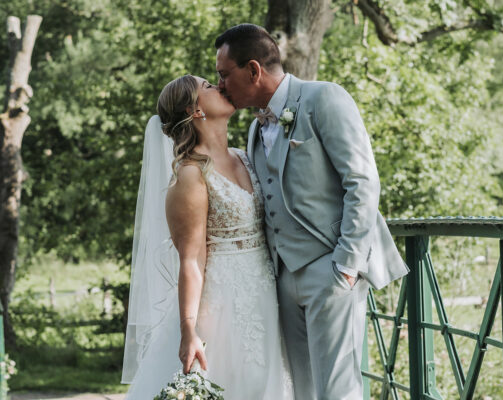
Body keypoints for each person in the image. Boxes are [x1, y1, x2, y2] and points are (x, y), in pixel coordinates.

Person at [215, 24, 410, 399]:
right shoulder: (255, 130)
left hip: (331, 268)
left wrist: (347, 266)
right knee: (302, 390)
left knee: (338, 390)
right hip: (284, 276)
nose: (220, 85)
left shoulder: (324, 98)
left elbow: (363, 181)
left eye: (224, 75)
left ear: (253, 70)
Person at [122, 75, 292, 399]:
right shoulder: (191, 175)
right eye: (209, 87)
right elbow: (191, 260)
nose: (221, 86)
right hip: (224, 307)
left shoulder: (245, 155)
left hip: (268, 296)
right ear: (195, 109)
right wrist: (189, 330)